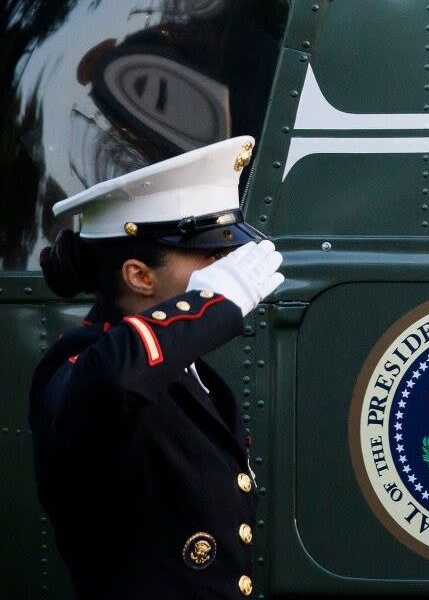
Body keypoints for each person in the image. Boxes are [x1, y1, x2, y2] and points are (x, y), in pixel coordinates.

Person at [30, 137, 288, 598]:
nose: (226, 267)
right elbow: (110, 381)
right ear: (139, 276)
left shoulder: (191, 375)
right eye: (209, 255)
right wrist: (209, 306)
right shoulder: (79, 363)